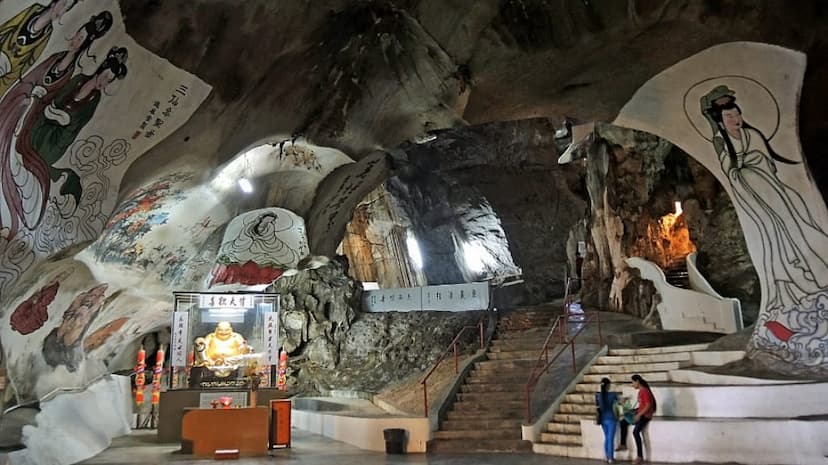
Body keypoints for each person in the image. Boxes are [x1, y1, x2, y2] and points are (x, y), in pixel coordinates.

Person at [701, 85, 828, 356]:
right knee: (775, 242)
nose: (735, 119)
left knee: (798, 225)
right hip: (757, 199)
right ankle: (793, 290)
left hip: (774, 191)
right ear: (720, 121)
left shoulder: (752, 135)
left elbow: (767, 163)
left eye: (736, 113)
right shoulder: (724, 144)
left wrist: (752, 163)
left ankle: (815, 277)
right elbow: (732, 172)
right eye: (728, 117)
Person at [0, 11, 113, 239]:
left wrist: (53, 112)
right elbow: (33, 77)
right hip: (21, 106)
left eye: (83, 40)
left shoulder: (77, 78)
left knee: (16, 164)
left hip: (35, 120)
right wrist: (33, 97)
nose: (76, 42)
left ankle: (9, 215)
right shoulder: (58, 57)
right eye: (77, 37)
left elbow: (62, 107)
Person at [0, 0, 82, 97]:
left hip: (7, 70)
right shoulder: (33, 10)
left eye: (66, 9)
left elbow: (30, 61)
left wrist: (10, 76)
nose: (61, 11)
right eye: (63, 4)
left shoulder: (47, 33)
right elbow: (5, 28)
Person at [617, 374, 656, 464]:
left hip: (645, 415)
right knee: (623, 422)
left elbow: (648, 405)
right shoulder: (641, 391)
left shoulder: (644, 391)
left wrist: (639, 415)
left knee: (636, 432)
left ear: (637, 381)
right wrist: (634, 411)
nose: (632, 384)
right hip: (641, 413)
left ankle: (640, 456)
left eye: (632, 382)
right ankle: (623, 444)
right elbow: (642, 405)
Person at [595, 377, 620, 464]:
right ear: (608, 385)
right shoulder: (612, 395)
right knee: (610, 439)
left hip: (602, 419)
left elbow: (598, 408)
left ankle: (606, 456)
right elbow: (619, 403)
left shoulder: (598, 395)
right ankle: (611, 458)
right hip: (611, 419)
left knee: (607, 438)